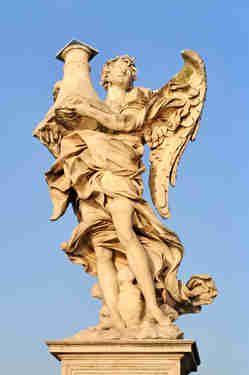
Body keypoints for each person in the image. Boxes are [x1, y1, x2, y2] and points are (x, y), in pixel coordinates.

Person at [40, 55, 209, 334]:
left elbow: (126, 124)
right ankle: (115, 319)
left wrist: (87, 111)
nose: (131, 71)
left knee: (127, 235)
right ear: (105, 74)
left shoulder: (140, 98)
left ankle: (153, 308)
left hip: (120, 174)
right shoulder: (92, 102)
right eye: (123, 67)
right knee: (103, 250)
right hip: (90, 179)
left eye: (132, 68)